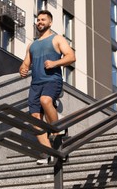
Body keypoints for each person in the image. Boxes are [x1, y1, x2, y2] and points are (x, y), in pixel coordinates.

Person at [19, 10, 75, 163]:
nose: (40, 22)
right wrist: (22, 70)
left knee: (46, 101)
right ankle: (49, 153)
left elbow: (71, 56)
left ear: (50, 23)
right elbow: (25, 64)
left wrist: (55, 63)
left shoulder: (57, 39)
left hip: (52, 80)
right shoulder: (32, 45)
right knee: (35, 118)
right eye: (38, 20)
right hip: (35, 84)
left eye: (43, 19)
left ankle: (57, 131)